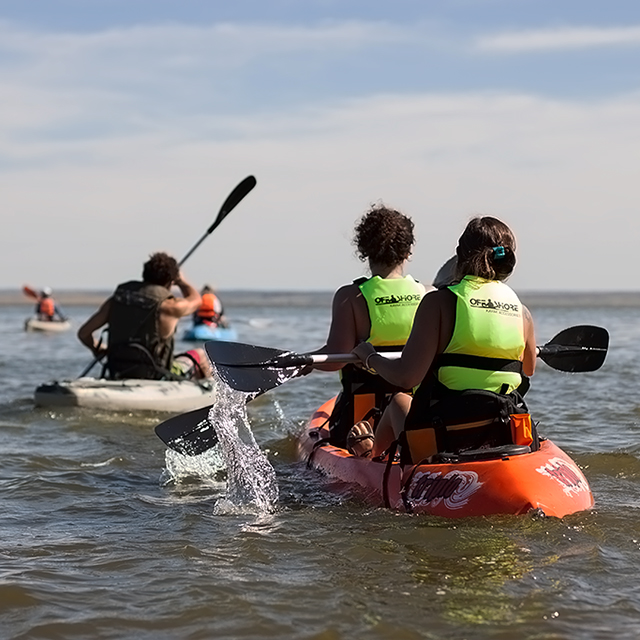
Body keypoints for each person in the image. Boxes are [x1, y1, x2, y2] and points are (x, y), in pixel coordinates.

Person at [351, 216, 536, 460]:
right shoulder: (522, 312)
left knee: (398, 402)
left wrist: (370, 357)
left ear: (460, 256)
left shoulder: (438, 303)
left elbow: (406, 376)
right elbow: (529, 368)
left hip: (445, 434)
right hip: (499, 429)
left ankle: (369, 457)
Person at [313, 204, 428, 450]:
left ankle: (365, 450)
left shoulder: (350, 297)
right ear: (408, 251)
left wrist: (306, 362)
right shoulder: (427, 294)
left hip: (361, 420)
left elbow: (335, 359)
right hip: (417, 414)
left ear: (364, 250)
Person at [78, 252, 211, 380]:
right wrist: (181, 281)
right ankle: (213, 399)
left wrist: (99, 349)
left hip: (118, 368)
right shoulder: (170, 307)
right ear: (170, 282)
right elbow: (196, 300)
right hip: (156, 374)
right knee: (199, 355)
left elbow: (84, 333)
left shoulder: (117, 300)